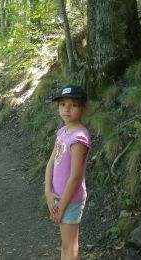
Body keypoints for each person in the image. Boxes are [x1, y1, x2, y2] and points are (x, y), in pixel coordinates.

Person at [44, 84, 91, 260]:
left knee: (69, 246)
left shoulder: (79, 137)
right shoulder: (63, 131)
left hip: (70, 199)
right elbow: (51, 162)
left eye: (73, 105)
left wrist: (61, 206)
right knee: (66, 244)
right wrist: (48, 193)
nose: (67, 109)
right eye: (63, 104)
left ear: (83, 108)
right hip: (58, 197)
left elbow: (75, 177)